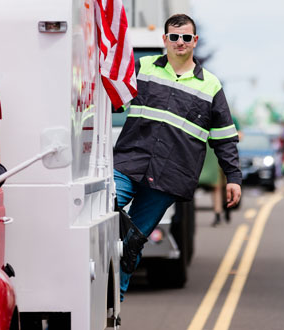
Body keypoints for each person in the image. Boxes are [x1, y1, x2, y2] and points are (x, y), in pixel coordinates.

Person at [113, 14, 242, 300]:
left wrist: (233, 178)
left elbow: (223, 137)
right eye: (174, 36)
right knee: (104, 212)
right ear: (165, 40)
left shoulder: (211, 86)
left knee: (133, 242)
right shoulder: (142, 68)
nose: (180, 42)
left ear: (194, 41)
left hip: (168, 179)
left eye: (186, 37)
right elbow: (113, 96)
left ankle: (115, 305)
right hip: (128, 164)